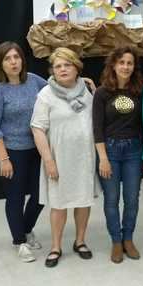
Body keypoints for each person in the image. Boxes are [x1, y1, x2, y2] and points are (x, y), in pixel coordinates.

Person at [31, 47, 96, 268]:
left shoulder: (87, 89)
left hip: (84, 158)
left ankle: (80, 241)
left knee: (83, 200)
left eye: (67, 64)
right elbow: (37, 129)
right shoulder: (45, 95)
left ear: (76, 67)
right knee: (58, 204)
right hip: (58, 160)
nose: (62, 69)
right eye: (58, 66)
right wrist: (48, 160)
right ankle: (56, 246)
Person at [0, 42, 47, 263]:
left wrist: (81, 82)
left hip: (38, 149)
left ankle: (26, 229)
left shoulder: (34, 80)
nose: (13, 62)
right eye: (8, 58)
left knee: (41, 196)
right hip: (12, 151)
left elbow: (55, 91)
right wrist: (4, 158)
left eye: (16, 57)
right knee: (15, 197)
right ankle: (19, 241)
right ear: (1, 63)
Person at [94, 46, 143, 264]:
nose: (125, 66)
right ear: (113, 65)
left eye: (129, 63)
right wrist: (103, 158)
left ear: (134, 67)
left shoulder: (140, 91)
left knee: (132, 199)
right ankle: (116, 240)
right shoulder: (102, 92)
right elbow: (97, 128)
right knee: (112, 199)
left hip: (134, 150)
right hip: (110, 151)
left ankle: (128, 238)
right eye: (121, 62)